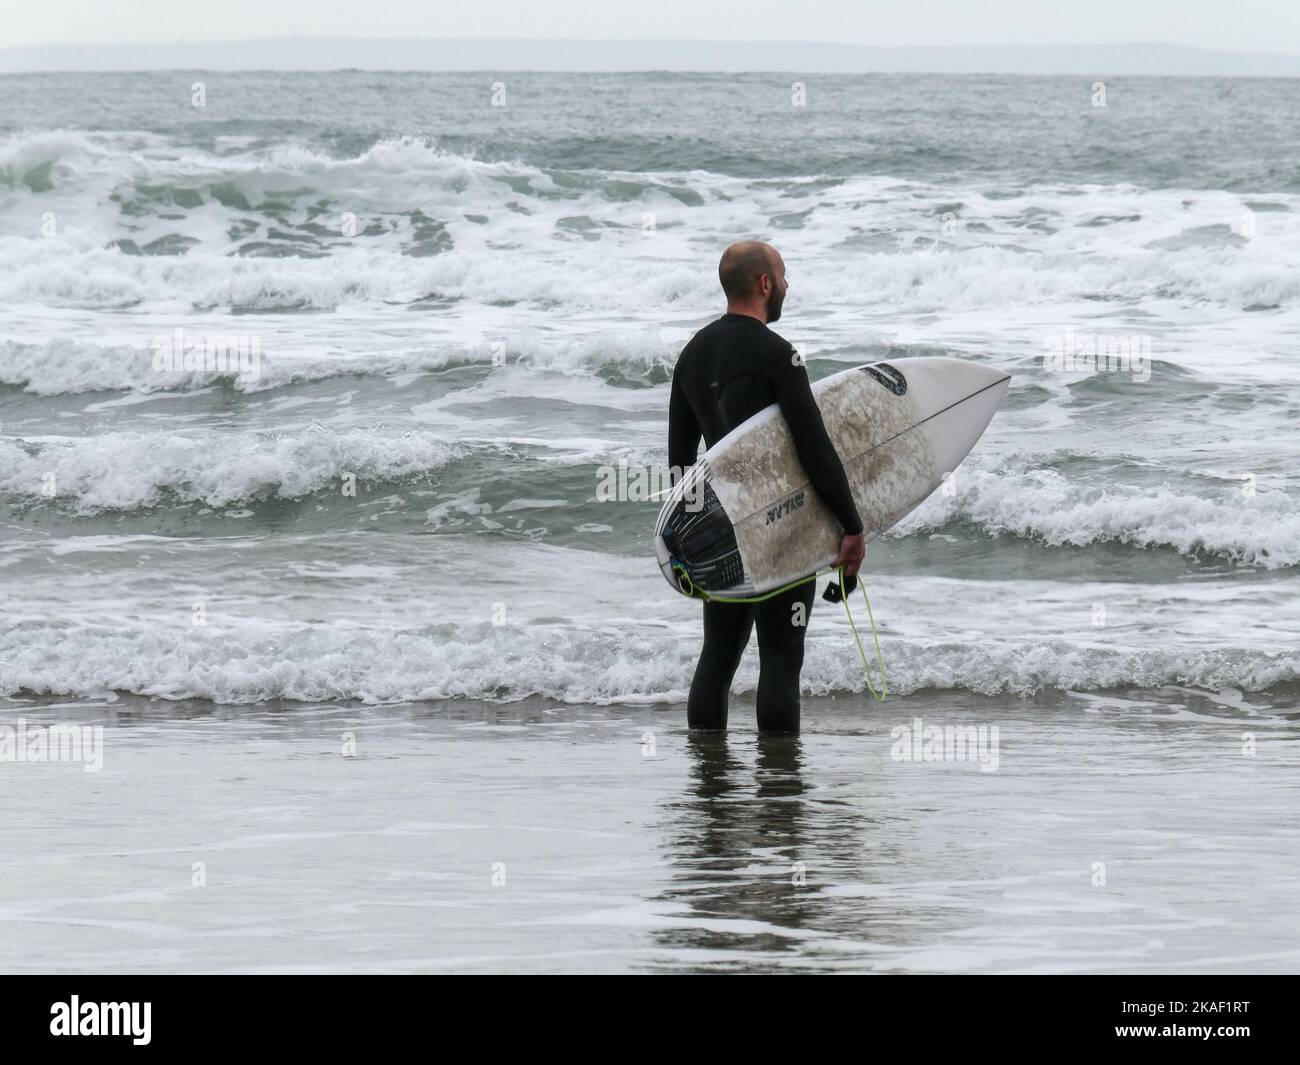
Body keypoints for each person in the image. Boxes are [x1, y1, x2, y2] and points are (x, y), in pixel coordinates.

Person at [667, 241, 865, 734]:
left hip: (725, 534)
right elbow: (814, 448)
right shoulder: (779, 355)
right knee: (780, 659)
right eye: (783, 275)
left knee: (717, 659)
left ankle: (709, 786)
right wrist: (851, 525)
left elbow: (678, 467)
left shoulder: (691, 356)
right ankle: (779, 798)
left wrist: (690, 542)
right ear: (764, 284)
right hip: (782, 531)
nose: (787, 285)